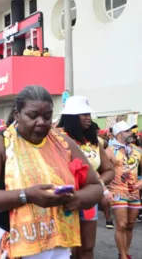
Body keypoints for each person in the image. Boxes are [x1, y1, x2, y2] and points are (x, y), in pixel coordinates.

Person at [0, 85, 103, 258]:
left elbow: (95, 187)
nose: (41, 122)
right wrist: (26, 196)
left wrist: (77, 199)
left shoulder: (64, 144)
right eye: (32, 116)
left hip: (55, 244)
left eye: (47, 116)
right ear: (17, 114)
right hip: (5, 241)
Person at [57, 96, 115, 259]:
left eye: (89, 114)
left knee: (87, 248)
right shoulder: (57, 138)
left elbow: (109, 170)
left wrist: (97, 186)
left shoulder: (93, 141)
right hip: (63, 201)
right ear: (72, 116)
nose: (88, 118)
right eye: (83, 114)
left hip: (88, 201)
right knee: (67, 249)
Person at [106, 121, 142, 259]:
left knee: (131, 224)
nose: (131, 133)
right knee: (122, 224)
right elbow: (100, 171)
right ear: (119, 133)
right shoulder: (109, 151)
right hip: (117, 191)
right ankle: (122, 256)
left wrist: (140, 183)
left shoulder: (138, 150)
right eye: (127, 131)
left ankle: (125, 253)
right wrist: (105, 190)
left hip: (134, 193)